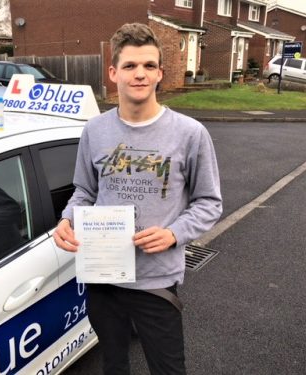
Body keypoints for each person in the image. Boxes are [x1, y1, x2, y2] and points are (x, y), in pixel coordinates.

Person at [53, 23, 222, 375]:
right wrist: (68, 220)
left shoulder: (190, 133)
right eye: (130, 66)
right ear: (113, 73)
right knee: (114, 364)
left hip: (156, 280)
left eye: (148, 66)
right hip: (104, 276)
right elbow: (84, 191)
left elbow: (209, 202)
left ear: (160, 73)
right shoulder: (94, 130)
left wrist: (174, 233)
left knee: (169, 368)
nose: (139, 74)